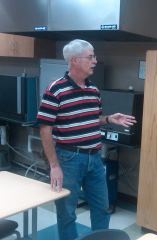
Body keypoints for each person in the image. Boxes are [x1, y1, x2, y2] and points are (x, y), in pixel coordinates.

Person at [37, 39, 136, 240]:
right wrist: (54, 166)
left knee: (102, 208)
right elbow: (45, 128)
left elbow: (91, 120)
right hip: (69, 159)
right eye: (90, 57)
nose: (95, 61)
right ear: (74, 60)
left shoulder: (94, 91)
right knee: (67, 213)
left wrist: (108, 119)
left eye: (94, 57)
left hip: (95, 158)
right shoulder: (56, 89)